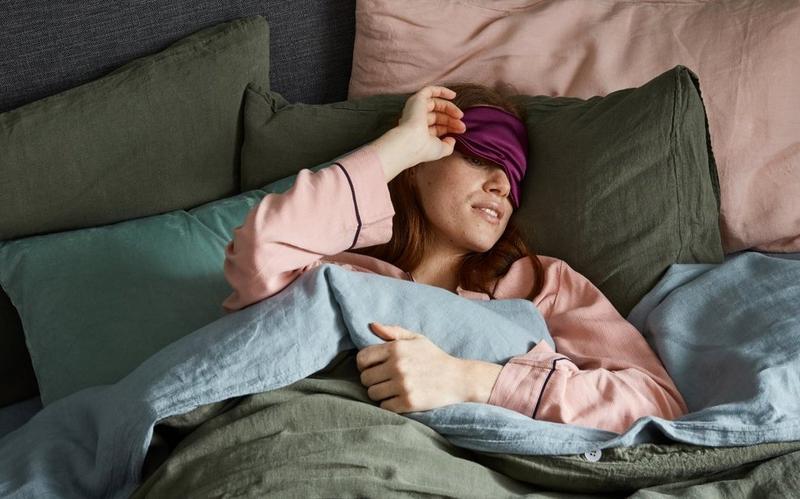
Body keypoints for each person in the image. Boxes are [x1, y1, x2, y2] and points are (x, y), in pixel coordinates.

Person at [221, 84, 688, 434]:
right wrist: (398, 148)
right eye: (481, 157)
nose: (502, 185)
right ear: (421, 164)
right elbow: (260, 255)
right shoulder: (338, 268)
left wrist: (472, 380)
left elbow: (657, 403)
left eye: (514, 176)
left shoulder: (541, 284)